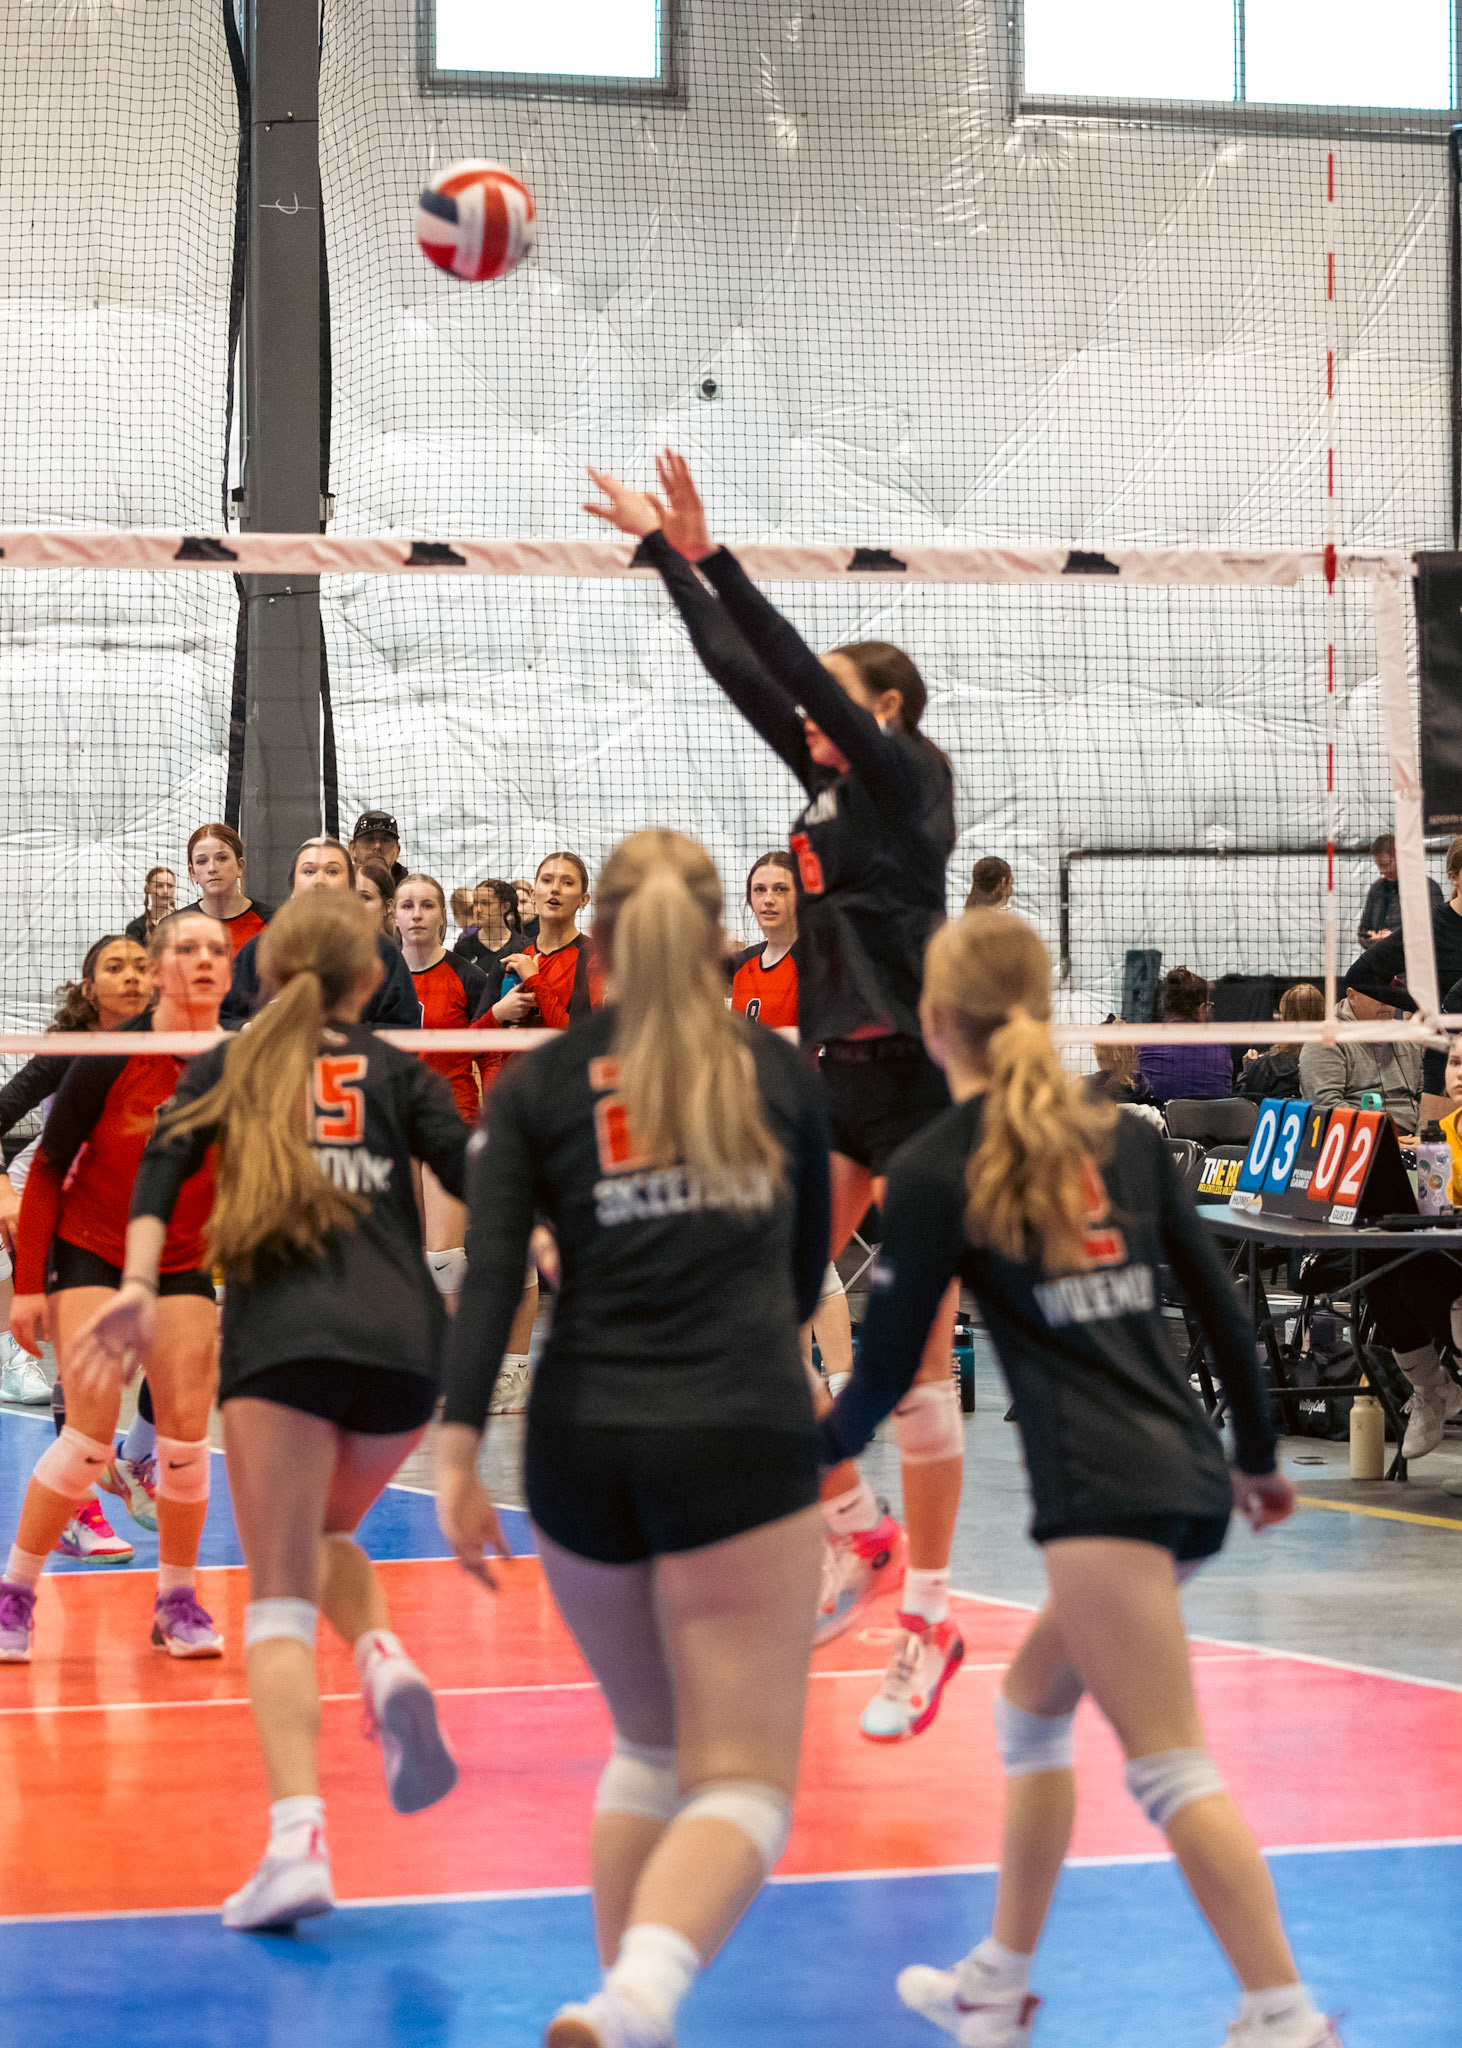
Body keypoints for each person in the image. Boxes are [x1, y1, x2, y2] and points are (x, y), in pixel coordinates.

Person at [822, 911, 1336, 2048]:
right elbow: (1224, 1311)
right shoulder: (1125, 1138)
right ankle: (996, 1985)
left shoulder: (935, 1165)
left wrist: (785, 1461)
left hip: (1105, 1503)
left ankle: (1284, 2011)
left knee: (1170, 1768)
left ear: (932, 1023)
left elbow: (881, 1381)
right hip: (1183, 1475)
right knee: (1029, 1711)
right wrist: (1257, 1460)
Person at [586, 453, 961, 1745]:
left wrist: (718, 555)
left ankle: (929, 1618)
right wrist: (663, 556)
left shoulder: (907, 785)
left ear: (884, 708)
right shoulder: (824, 789)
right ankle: (858, 1531)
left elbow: (791, 668)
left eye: (834, 704)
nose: (804, 718)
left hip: (924, 1091)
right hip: (836, 1086)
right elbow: (744, 673)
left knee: (917, 1366)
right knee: (760, 1315)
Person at [436, 830, 831, 2048]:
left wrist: (455, 1449)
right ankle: (637, 1995)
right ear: (718, 937)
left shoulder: (543, 1080)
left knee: (647, 1751)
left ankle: (622, 2017)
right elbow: (805, 1269)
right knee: (745, 1777)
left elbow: (491, 1274)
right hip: (737, 1430)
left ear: (596, 936)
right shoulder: (773, 1072)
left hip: (578, 1445)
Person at [67, 892, 467, 1929]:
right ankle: (383, 1661)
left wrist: (139, 1282)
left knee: (280, 1596)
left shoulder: (230, 1061)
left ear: (266, 970)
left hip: (286, 1341)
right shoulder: (401, 1070)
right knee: (324, 1536)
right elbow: (483, 1175)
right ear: (371, 979)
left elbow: (159, 1172)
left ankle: (298, 1843)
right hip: (406, 1349)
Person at [0, 911, 233, 1661]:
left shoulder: (239, 1062)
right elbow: (47, 1168)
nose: (203, 960)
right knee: (89, 1436)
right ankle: (15, 1595)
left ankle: (177, 1602)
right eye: (186, 949)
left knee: (187, 1437)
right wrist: (29, 1286)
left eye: (217, 950)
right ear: (162, 970)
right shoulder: (108, 1056)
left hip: (184, 1258)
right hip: (92, 1250)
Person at [0, 938, 153, 1569]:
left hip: (142, 1221)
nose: (132, 977)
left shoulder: (173, 1047)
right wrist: (3, 1190)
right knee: (84, 1375)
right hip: (63, 1217)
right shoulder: (68, 1052)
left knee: (179, 1351)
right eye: (115, 968)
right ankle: (76, 1510)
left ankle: (135, 1456)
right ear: (89, 989)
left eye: (142, 966)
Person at [732, 851, 855, 1392]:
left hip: (806, 1127)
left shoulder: (819, 963)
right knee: (777, 1262)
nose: (768, 900)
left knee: (813, 1259)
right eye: (760, 890)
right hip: (755, 1132)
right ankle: (797, 1383)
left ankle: (843, 1384)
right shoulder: (745, 969)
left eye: (780, 889)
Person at [396, 874, 493, 1310]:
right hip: (394, 1125)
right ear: (394, 916)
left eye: (427, 905)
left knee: (444, 1258)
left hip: (449, 1121)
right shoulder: (376, 978)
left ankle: (458, 1350)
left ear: (443, 917)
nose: (417, 914)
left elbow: (490, 1055)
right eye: (407, 906)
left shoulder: (469, 977)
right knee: (407, 1256)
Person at [222, 837, 420, 1031]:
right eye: (309, 871)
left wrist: (340, 1033)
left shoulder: (382, 952)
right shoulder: (261, 948)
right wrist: (250, 1028)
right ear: (293, 887)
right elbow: (224, 1017)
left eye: (332, 871)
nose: (319, 881)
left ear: (351, 887)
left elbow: (404, 1028)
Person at [1296, 974, 1421, 1134]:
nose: (1386, 1003)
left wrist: (1426, 1135)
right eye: (1377, 996)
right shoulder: (1325, 1039)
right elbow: (1325, 1104)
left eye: (1391, 996)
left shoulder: (1408, 1036)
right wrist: (1381, 1136)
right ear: (1352, 996)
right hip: (1356, 1137)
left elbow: (1425, 1095)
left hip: (1415, 1138)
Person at [1135, 968, 1233, 1107]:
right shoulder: (1220, 1045)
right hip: (1214, 1118)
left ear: (1165, 1005)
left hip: (1161, 1119)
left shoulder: (1145, 1044)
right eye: (1208, 1006)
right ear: (1202, 1008)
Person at [186, 823, 273, 957]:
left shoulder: (272, 924)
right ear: (192, 872)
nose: (212, 868)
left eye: (222, 858)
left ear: (240, 866)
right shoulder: (174, 927)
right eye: (202, 861)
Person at [1238, 984, 1324, 1103]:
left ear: (1286, 1017)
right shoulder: (1333, 1057)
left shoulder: (1267, 1065)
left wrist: (1247, 1072)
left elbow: (1245, 1103)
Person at [1357, 831, 1442, 945]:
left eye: (1386, 865)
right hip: (1381, 955)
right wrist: (1373, 939)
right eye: (1379, 866)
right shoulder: (1377, 889)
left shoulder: (1427, 888)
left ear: (1400, 858)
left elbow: (1436, 930)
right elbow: (1363, 932)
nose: (1382, 871)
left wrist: (1393, 937)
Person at [453, 878, 522, 973]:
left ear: (505, 907)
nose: (478, 909)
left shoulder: (522, 947)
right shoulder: (463, 947)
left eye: (485, 903)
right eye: (475, 903)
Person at [349, 810, 407, 886]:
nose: (377, 846)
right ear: (353, 848)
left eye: (385, 840)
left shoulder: (411, 890)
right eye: (369, 839)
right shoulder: (340, 888)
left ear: (397, 851)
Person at [125, 867, 176, 946]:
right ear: (148, 888)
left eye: (170, 886)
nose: (165, 891)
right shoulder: (136, 927)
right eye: (159, 886)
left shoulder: (184, 922)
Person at [355, 858, 398, 942]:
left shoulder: (389, 949)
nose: (355, 904)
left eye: (365, 897)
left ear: (388, 906)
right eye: (351, 897)